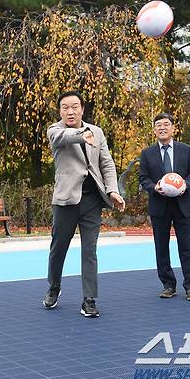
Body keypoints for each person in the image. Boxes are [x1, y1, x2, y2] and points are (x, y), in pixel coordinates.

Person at [42, 91, 125, 318]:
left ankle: (89, 299)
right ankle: (54, 286)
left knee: (90, 250)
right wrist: (81, 134)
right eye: (65, 107)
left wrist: (113, 191)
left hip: (92, 201)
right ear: (60, 111)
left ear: (82, 109)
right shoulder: (55, 130)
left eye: (75, 106)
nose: (70, 111)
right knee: (59, 248)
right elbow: (64, 138)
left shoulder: (97, 132)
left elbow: (106, 164)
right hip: (66, 200)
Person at [139, 113, 190, 301]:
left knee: (187, 247)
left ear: (173, 128)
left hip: (182, 205)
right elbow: (143, 179)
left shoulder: (186, 150)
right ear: (154, 129)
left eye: (166, 124)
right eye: (158, 125)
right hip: (159, 206)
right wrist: (154, 188)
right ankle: (168, 285)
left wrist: (184, 186)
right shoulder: (147, 153)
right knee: (161, 247)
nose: (162, 128)